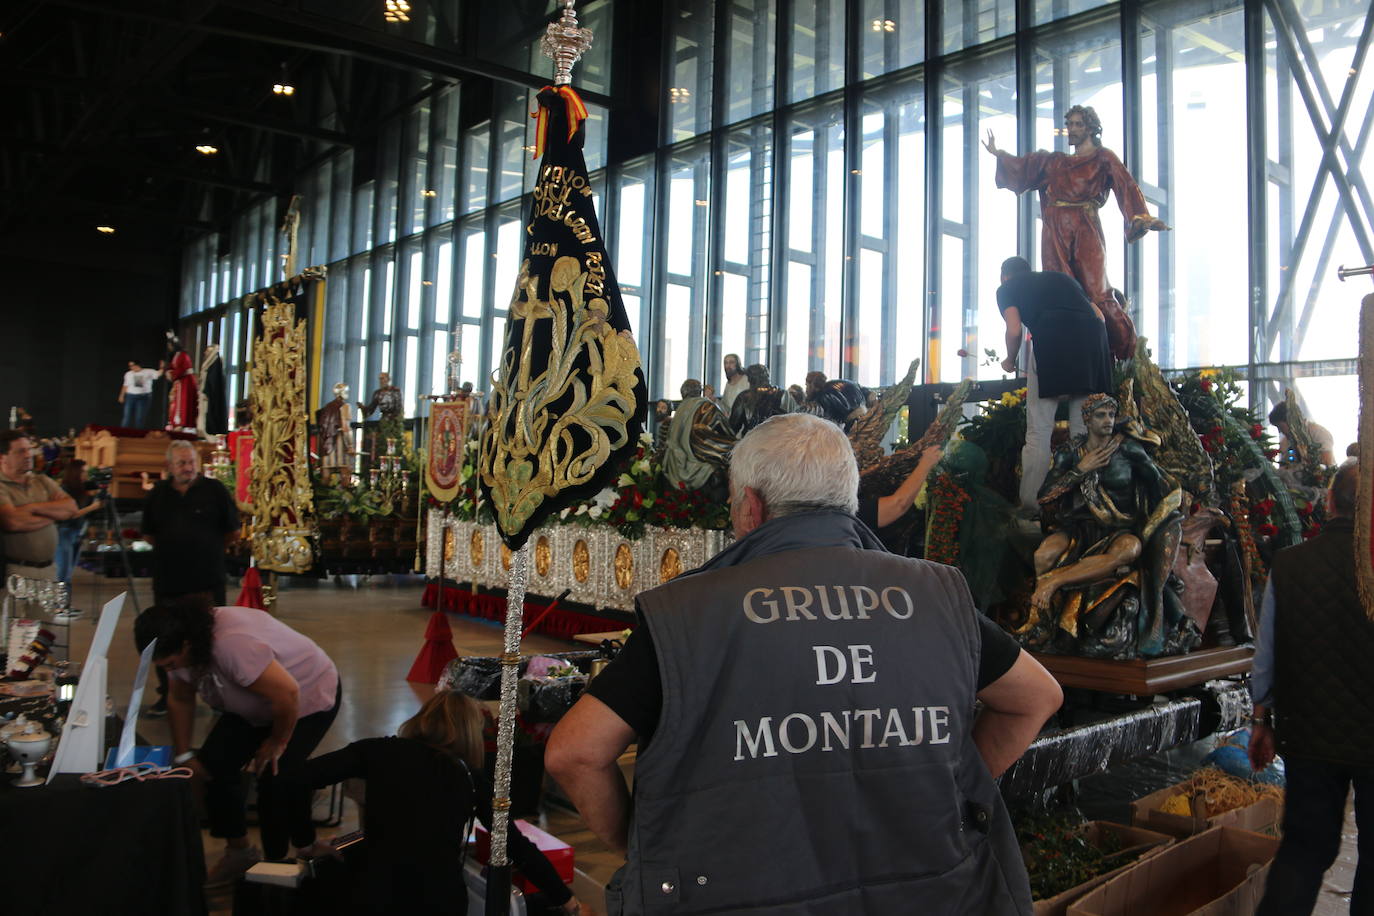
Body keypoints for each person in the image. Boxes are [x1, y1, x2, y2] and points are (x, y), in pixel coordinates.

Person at [547, 413, 1061, 914]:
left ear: (750, 505)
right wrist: (950, 788)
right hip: (930, 886)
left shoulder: (689, 611)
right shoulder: (938, 594)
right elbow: (1037, 697)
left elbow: (573, 754)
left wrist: (643, 843)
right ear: (849, 498)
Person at [284, 691, 581, 914]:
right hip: (438, 899)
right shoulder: (470, 778)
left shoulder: (377, 750)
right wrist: (567, 902)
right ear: (471, 734)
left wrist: (306, 841)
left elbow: (294, 779)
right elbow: (516, 846)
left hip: (373, 892)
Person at [134, 597, 342, 886]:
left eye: (170, 664)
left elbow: (287, 695)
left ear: (186, 645)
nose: (169, 671)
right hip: (250, 703)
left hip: (306, 696)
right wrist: (184, 756)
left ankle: (285, 860)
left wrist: (277, 742)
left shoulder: (232, 644)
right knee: (211, 769)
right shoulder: (179, 647)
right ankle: (240, 851)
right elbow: (180, 699)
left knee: (275, 776)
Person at [1248, 462, 1370, 915]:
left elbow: (1265, 655)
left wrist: (1260, 720)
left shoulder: (1291, 564)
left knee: (1304, 850)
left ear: (1329, 502)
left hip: (1308, 732)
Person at [984, 105, 1169, 359]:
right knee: (1060, 291)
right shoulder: (1055, 162)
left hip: (1085, 227)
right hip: (1054, 231)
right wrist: (1000, 154)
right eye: (1069, 124)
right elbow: (1025, 166)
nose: (1071, 129)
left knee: (1098, 292)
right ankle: (1072, 358)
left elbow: (1126, 185)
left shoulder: (1103, 158)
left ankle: (1130, 356)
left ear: (1091, 128)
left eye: (1077, 124)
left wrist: (1140, 217)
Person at [1026, 394, 1196, 659]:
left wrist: (1175, 507)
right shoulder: (1071, 453)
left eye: (1111, 415)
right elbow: (1045, 495)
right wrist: (1080, 470)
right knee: (1043, 555)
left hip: (1119, 530)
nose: (1108, 421)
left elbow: (1159, 484)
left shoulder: (1128, 449)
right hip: (1080, 529)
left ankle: (1053, 583)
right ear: (1087, 419)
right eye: (1100, 415)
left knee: (1129, 550)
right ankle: (1041, 623)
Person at [996, 255, 1114, 514]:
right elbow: (1099, 317)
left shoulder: (1007, 288)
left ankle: (1031, 506)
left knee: (1039, 430)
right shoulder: (1062, 279)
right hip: (1092, 345)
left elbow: (1014, 329)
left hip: (1051, 341)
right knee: (1083, 429)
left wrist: (1009, 360)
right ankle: (1085, 502)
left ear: (1005, 276)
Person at [142, 440, 240, 715]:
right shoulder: (157, 494)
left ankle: (219, 696)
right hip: (169, 580)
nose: (188, 468)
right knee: (166, 636)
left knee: (211, 637)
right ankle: (167, 695)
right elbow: (149, 534)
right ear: (169, 466)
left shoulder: (214, 490)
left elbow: (232, 531)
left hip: (207, 579)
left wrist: (205, 548)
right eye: (182, 463)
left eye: (192, 462)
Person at [0, 429, 77, 580]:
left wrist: (32, 509)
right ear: (2, 457)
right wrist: (54, 515)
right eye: (21, 451)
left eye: (30, 449)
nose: (29, 455)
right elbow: (12, 521)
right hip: (16, 573)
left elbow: (71, 508)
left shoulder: (42, 481)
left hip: (49, 571)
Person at [661, 379, 734, 493]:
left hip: (674, 463)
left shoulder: (680, 408)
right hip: (695, 461)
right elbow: (725, 429)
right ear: (699, 391)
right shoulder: (705, 406)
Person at [53, 459, 104, 601]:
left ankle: (65, 605)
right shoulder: (65, 489)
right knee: (63, 572)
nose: (86, 474)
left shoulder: (82, 489)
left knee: (69, 572)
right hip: (65, 532)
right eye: (84, 471)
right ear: (76, 472)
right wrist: (92, 507)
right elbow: (71, 513)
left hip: (77, 533)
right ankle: (59, 606)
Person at [728, 363, 799, 435]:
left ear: (749, 379)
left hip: (752, 442)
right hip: (779, 441)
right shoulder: (784, 395)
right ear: (768, 377)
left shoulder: (744, 397)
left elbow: (732, 428)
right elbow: (796, 422)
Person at [1268, 400, 1335, 467]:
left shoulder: (1319, 433)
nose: (1280, 431)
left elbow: (1327, 464)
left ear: (1290, 421)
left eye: (1280, 427)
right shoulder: (1285, 442)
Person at [165, 333, 199, 432]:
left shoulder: (183, 355)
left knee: (183, 403)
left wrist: (172, 374)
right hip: (180, 382)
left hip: (186, 383)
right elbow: (172, 367)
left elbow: (181, 369)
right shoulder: (177, 355)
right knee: (177, 402)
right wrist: (169, 371)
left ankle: (183, 422)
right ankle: (177, 423)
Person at [119, 360, 160, 429]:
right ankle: (123, 432)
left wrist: (162, 368)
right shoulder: (128, 374)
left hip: (143, 397)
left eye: (132, 365)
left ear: (137, 365)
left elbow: (158, 374)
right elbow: (125, 385)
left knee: (140, 417)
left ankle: (138, 434)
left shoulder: (148, 372)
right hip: (130, 396)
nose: (131, 368)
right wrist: (121, 395)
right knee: (127, 416)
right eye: (130, 366)